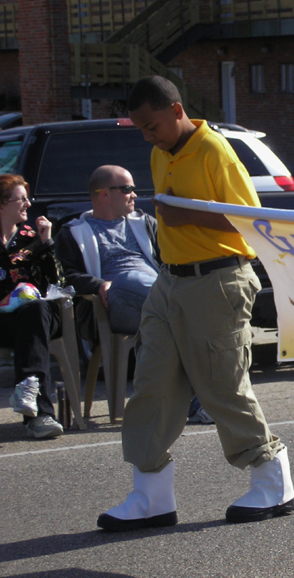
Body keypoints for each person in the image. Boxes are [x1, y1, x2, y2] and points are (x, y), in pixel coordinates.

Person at [97, 75, 294, 531]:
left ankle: (273, 481)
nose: (149, 136)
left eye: (153, 126)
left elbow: (253, 223)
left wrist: (187, 213)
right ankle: (151, 498)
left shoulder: (215, 151)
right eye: (142, 130)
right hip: (170, 282)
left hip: (218, 279)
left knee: (221, 385)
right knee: (151, 385)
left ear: (176, 110)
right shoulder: (159, 151)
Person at [55, 165, 213, 424]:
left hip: (154, 299)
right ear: (104, 194)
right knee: (132, 280)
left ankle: (195, 405)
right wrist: (97, 285)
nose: (134, 195)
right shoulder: (73, 231)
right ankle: (203, 396)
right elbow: (65, 276)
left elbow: (171, 260)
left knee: (168, 324)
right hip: (112, 305)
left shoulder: (145, 224)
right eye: (127, 189)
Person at [0, 174, 65, 439]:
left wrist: (46, 242)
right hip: (3, 322)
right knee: (32, 324)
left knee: (35, 311)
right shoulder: (25, 241)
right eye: (21, 199)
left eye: (28, 198)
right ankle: (38, 413)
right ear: (2, 205)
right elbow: (9, 265)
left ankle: (31, 394)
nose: (28, 204)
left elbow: (56, 281)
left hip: (35, 317)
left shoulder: (30, 236)